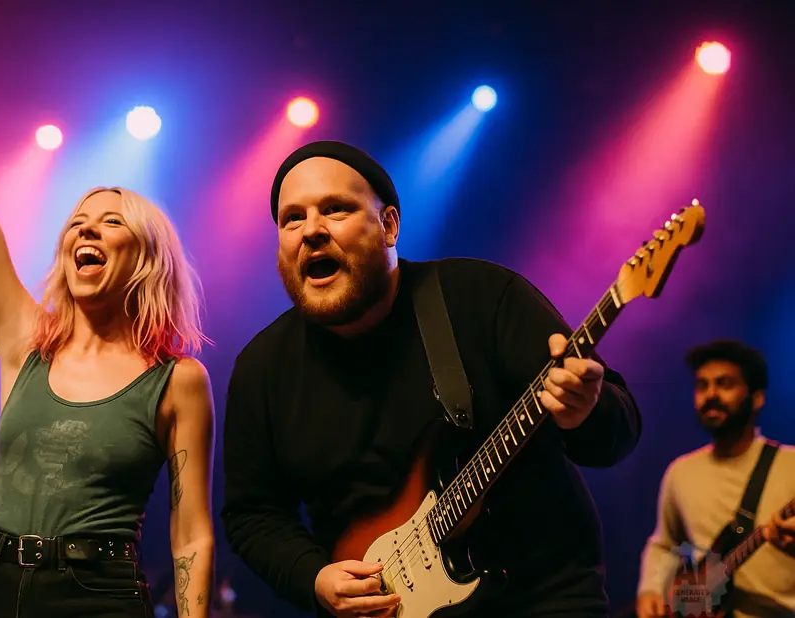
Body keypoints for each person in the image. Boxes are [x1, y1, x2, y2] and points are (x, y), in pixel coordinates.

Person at [220, 140, 643, 618]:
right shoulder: (262, 368)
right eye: (292, 219)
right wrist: (314, 577)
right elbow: (252, 514)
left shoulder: (481, 297)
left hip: (539, 599)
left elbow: (618, 432)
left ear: (389, 225)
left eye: (335, 209)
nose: (312, 230)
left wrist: (585, 410)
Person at [0, 3, 216, 617]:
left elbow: (192, 533)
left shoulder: (176, 380)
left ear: (147, 257)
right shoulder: (26, 340)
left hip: (97, 595)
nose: (85, 231)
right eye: (77, 223)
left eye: (110, 222)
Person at [635, 340, 795, 618]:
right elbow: (665, 544)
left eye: (725, 384)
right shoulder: (681, 472)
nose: (710, 394)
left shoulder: (790, 464)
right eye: (702, 385)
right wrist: (650, 589)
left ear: (757, 397)